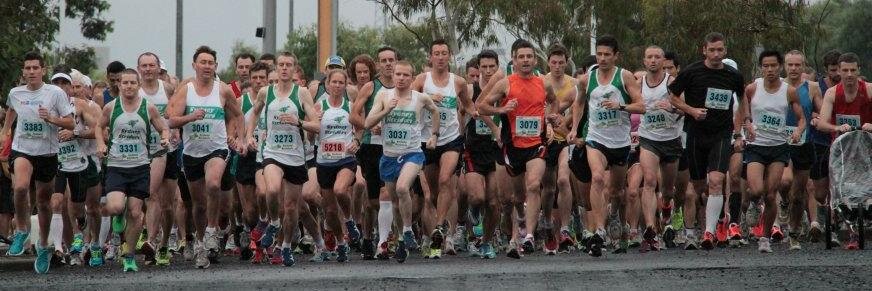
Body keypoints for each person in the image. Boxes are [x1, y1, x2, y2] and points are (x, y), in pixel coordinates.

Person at [478, 39, 559, 259]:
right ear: (514, 60)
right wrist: (504, 109)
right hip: (512, 145)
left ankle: (529, 236)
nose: (525, 60)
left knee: (534, 185)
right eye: (521, 57)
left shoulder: (544, 83)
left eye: (529, 56)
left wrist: (550, 120)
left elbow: (554, 102)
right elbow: (481, 106)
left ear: (534, 59)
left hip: (537, 144)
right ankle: (522, 217)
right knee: (516, 196)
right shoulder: (506, 83)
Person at [167, 45, 245, 268]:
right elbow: (172, 119)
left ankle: (212, 231)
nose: (207, 66)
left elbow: (238, 115)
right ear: (195, 65)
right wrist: (190, 117)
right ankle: (201, 244)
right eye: (203, 62)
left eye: (211, 63)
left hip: (217, 149)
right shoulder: (186, 90)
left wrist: (238, 139)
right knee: (198, 205)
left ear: (216, 66)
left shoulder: (223, 90)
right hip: (192, 153)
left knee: (213, 184)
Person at [567, 35, 645, 255]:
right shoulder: (586, 79)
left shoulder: (625, 77)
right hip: (595, 138)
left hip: (620, 142)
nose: (602, 58)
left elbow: (641, 107)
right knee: (598, 178)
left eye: (606, 55)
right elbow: (579, 103)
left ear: (615, 56)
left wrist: (620, 106)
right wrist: (574, 128)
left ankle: (617, 222)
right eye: (599, 54)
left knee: (618, 192)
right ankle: (599, 229)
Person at [668, 32, 745, 250]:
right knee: (701, 186)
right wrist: (691, 110)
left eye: (720, 50)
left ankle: (709, 233)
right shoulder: (692, 72)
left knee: (717, 181)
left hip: (721, 134)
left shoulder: (733, 75)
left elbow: (743, 100)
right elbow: (672, 96)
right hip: (695, 135)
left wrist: (738, 132)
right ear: (704, 50)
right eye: (712, 50)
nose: (716, 54)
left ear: (725, 51)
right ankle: (716, 214)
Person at [244, 51, 321, 266]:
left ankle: (286, 246)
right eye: (281, 65)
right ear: (276, 69)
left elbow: (316, 125)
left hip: (295, 156)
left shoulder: (302, 93)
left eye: (289, 65)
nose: (285, 68)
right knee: (273, 190)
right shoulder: (266, 93)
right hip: (272, 152)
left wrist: (299, 122)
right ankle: (274, 222)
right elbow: (255, 114)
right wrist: (249, 135)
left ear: (294, 68)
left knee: (291, 207)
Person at [2, 52, 75, 274]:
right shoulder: (15, 93)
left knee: (43, 202)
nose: (31, 72)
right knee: (21, 186)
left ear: (43, 70)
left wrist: (51, 118)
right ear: (23, 71)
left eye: (35, 68)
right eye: (28, 68)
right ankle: (22, 229)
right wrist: (6, 130)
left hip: (47, 153)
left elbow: (71, 123)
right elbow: (12, 110)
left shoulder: (54, 93)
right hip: (22, 149)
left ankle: (44, 244)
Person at [94, 68, 171, 272]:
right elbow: (98, 127)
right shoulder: (111, 107)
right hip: (117, 167)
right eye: (125, 83)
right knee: (116, 207)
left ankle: (128, 256)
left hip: (139, 167)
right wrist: (101, 144)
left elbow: (163, 127)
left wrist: (164, 136)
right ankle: (119, 215)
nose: (128, 86)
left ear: (138, 85)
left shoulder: (149, 108)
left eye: (132, 83)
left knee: (136, 213)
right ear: (119, 85)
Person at [365, 60, 440, 263]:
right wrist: (385, 111)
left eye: (405, 75)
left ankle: (407, 230)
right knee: (396, 204)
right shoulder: (384, 96)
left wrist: (434, 135)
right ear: (393, 75)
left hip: (412, 154)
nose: (401, 78)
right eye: (398, 74)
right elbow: (367, 123)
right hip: (389, 156)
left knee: (401, 188)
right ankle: (400, 239)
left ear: (412, 77)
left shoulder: (420, 98)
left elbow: (435, 111)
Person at [410, 39, 474, 258]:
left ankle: (444, 232)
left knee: (447, 181)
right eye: (436, 53)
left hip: (450, 139)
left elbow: (468, 104)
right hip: (426, 141)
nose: (440, 57)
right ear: (431, 57)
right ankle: (433, 236)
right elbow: (407, 101)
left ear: (449, 57)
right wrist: (425, 99)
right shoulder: (421, 80)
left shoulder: (458, 82)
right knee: (434, 193)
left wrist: (476, 113)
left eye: (444, 53)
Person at [739, 50, 807, 253]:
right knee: (757, 190)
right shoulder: (753, 88)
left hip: (778, 147)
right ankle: (752, 203)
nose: (770, 70)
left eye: (773, 66)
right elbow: (743, 107)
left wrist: (798, 131)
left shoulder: (789, 91)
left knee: (770, 195)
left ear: (780, 67)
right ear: (761, 68)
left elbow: (801, 118)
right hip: (757, 146)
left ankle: (765, 238)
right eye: (766, 66)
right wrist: (747, 122)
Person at [815, 52, 872, 249]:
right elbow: (822, 123)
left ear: (859, 71)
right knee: (839, 189)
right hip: (840, 148)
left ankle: (860, 222)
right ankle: (846, 228)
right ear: (838, 71)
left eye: (852, 70)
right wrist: (836, 128)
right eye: (845, 70)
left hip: (865, 147)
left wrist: (870, 125)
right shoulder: (832, 93)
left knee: (863, 188)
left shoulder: (869, 90)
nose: (849, 74)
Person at [350, 47, 398, 260]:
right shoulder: (371, 87)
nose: (388, 64)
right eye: (383, 61)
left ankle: (385, 240)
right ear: (377, 65)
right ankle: (368, 237)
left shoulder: (403, 85)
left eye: (391, 60)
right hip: (372, 147)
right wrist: (369, 126)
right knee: (372, 203)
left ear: (396, 62)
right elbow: (353, 116)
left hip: (396, 146)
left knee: (389, 194)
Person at [136, 52, 179, 266]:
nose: (148, 69)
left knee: (168, 203)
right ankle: (151, 242)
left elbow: (177, 112)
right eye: (144, 66)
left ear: (158, 68)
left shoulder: (167, 89)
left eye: (151, 65)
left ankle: (164, 242)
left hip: (168, 149)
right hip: (143, 151)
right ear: (138, 69)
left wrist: (176, 129)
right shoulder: (134, 92)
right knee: (150, 196)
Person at [636, 45, 680, 252]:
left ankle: (666, 210)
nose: (653, 60)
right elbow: (632, 105)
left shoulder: (672, 83)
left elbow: (685, 109)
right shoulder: (638, 83)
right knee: (650, 181)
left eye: (657, 57)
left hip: (671, 139)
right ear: (644, 61)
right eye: (649, 57)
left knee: (668, 190)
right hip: (648, 139)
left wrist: (671, 108)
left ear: (663, 61)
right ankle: (651, 230)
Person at [314, 69, 360, 263]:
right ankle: (341, 243)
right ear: (328, 84)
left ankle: (349, 221)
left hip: (345, 160)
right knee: (330, 212)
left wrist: (357, 141)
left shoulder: (351, 106)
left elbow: (361, 127)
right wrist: (314, 122)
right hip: (324, 162)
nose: (337, 86)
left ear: (345, 85)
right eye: (334, 82)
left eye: (341, 83)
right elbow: (310, 135)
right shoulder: (319, 106)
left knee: (341, 190)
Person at [779, 50, 822, 250]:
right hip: (781, 141)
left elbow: (821, 111)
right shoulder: (777, 86)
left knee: (798, 194)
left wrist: (816, 117)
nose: (794, 69)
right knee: (785, 180)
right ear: (785, 66)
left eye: (798, 65)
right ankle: (783, 203)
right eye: (790, 65)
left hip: (804, 142)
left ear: (803, 66)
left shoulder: (812, 87)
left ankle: (794, 233)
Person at [462, 50, 503, 259]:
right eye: (483, 67)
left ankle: (486, 242)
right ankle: (471, 225)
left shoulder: (504, 87)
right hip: (474, 149)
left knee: (494, 202)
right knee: (476, 196)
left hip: (497, 149)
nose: (487, 71)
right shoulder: (470, 90)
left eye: (491, 67)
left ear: (497, 67)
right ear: (478, 69)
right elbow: (463, 113)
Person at [540, 43, 578, 255]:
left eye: (561, 62)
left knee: (563, 180)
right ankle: (546, 223)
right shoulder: (540, 82)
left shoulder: (574, 84)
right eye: (553, 62)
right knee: (549, 187)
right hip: (545, 140)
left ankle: (565, 228)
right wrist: (547, 123)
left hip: (564, 139)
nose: (557, 66)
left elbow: (578, 108)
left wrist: (568, 120)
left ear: (566, 62)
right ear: (548, 62)